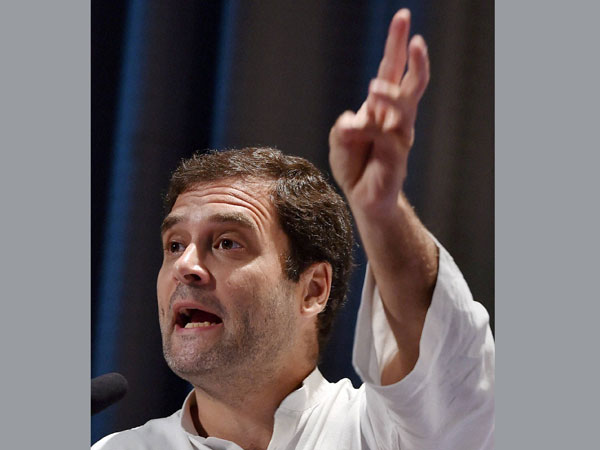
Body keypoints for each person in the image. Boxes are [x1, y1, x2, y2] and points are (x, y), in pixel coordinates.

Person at [93, 9, 494, 450]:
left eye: (227, 242)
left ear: (313, 289)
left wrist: (382, 212)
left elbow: (448, 374)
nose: (186, 265)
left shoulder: (382, 435)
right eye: (174, 245)